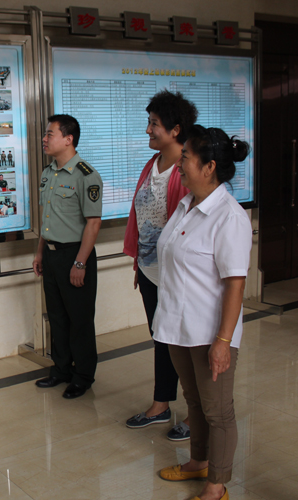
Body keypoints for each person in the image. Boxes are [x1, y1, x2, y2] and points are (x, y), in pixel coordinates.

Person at [155, 126, 252, 500]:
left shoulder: (229, 216)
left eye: (186, 159)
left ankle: (217, 485)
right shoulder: (187, 204)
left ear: (209, 167)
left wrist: (223, 342)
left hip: (210, 332)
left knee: (218, 411)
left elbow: (235, 285)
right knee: (193, 400)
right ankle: (198, 461)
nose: (179, 164)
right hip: (179, 326)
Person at [123, 90, 198, 440]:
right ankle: (161, 404)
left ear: (175, 129)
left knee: (186, 344)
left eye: (154, 124)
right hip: (152, 270)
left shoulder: (188, 171)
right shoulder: (151, 165)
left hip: (178, 276)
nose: (148, 130)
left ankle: (197, 414)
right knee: (161, 338)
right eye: (149, 122)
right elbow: (141, 218)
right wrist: (140, 262)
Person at [33, 114, 103, 399]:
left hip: (75, 254)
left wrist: (80, 262)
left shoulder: (86, 175)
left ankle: (83, 376)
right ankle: (61, 369)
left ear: (68, 138)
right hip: (50, 255)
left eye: (50, 134)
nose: (44, 139)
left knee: (80, 319)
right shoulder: (48, 172)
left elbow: (93, 223)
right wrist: (39, 252)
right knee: (58, 317)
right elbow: (46, 218)